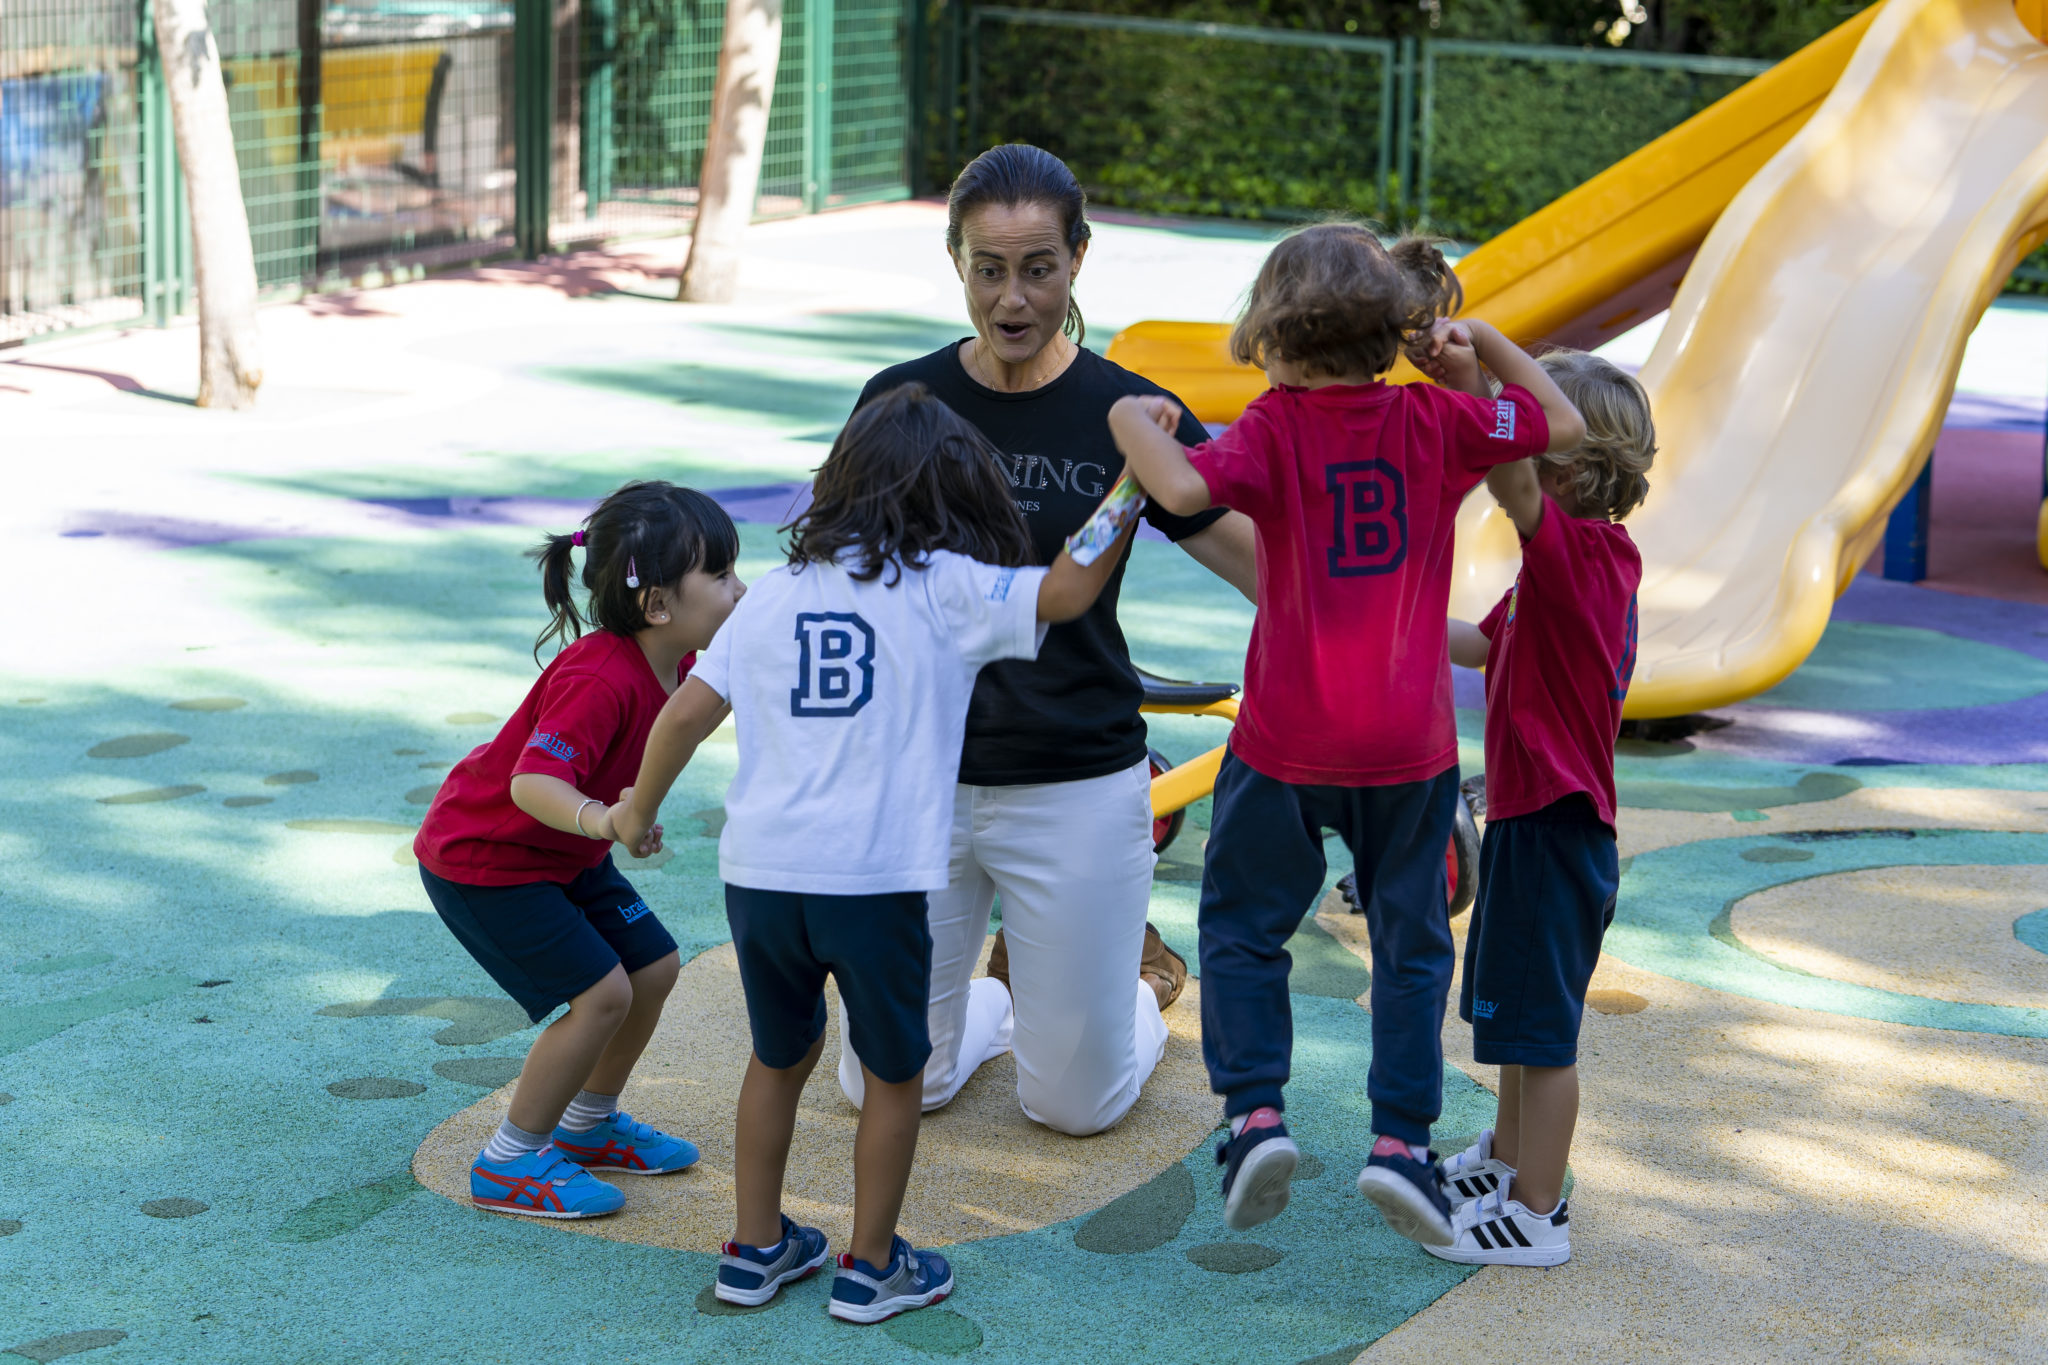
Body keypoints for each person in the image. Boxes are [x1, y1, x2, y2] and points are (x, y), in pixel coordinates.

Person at [615, 385, 1140, 1322]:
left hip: (762, 879)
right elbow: (1067, 589)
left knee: (778, 1057)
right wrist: (1133, 482)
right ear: (953, 492)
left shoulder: (770, 596)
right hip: (874, 882)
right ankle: (871, 1264)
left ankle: (753, 1249)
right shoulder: (944, 587)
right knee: (896, 1073)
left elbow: (685, 714)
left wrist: (634, 813)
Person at [1106, 223, 1586, 1240]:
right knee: (1410, 947)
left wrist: (1128, 416)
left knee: (1241, 929)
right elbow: (1558, 425)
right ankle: (1401, 1146)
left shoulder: (1273, 428)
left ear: (1271, 338)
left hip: (1284, 739)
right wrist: (1484, 347)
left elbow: (1181, 487)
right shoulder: (1437, 424)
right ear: (1390, 335)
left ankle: (1255, 1114)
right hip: (1406, 748)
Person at [840, 143, 1260, 1137]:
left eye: (1037, 267)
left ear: (1077, 257)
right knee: (892, 1083)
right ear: (956, 263)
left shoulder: (1130, 415)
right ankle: (1000, 996)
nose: (1013, 297)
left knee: (1074, 1105)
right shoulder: (899, 401)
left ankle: (1134, 990)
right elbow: (835, 583)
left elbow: (1263, 570)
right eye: (989, 268)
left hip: (1073, 778)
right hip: (923, 784)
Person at [412, 481, 746, 1218]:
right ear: (658, 605)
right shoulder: (600, 676)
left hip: (562, 855)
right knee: (602, 994)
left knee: (654, 966)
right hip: (487, 861)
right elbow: (534, 780)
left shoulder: (682, 664)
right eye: (721, 576)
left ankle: (587, 1123)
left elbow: (673, 738)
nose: (739, 589)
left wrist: (632, 814)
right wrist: (603, 819)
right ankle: (509, 1159)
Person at [1428, 346, 1653, 1267]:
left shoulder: (1585, 558)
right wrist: (1375, 618)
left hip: (1556, 826)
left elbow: (1508, 468)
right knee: (1518, 1020)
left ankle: (1538, 1213)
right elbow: (1480, 646)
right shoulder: (1560, 571)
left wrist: (1477, 365)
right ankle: (1511, 1163)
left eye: (1532, 422)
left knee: (1545, 1036)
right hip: (1535, 822)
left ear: (1566, 461)